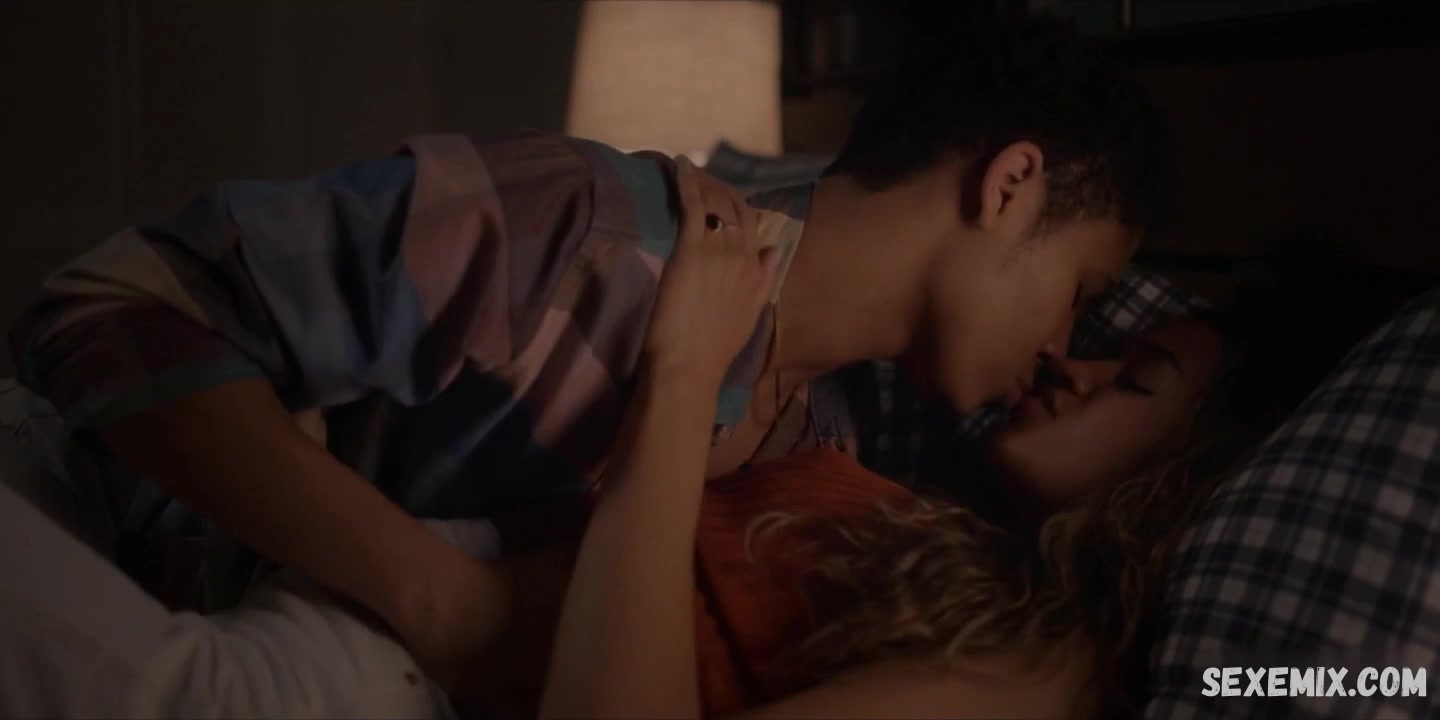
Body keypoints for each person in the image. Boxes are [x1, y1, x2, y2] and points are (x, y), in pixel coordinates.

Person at [6, 13, 1177, 692]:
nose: (1060, 348)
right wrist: (436, 598)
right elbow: (104, 307)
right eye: (1078, 294)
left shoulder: (822, 448)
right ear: (1011, 186)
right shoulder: (588, 228)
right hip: (73, 538)